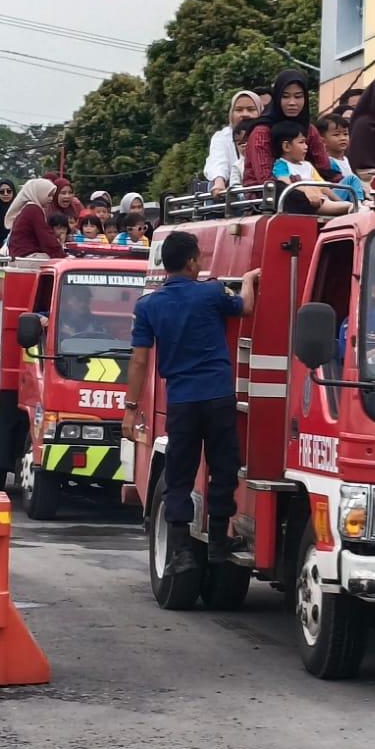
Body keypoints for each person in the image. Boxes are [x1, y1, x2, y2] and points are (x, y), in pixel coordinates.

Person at [124, 231, 259, 573]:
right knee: (224, 468)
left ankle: (181, 551)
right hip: (217, 396)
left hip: (181, 402)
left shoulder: (148, 306)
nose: (201, 265)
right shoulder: (211, 293)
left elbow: (139, 361)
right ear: (190, 262)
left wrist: (130, 408)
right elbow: (245, 306)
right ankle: (217, 541)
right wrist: (246, 280)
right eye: (199, 259)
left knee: (180, 475)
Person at [242, 69, 341, 187]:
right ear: (277, 98)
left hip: (315, 193)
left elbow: (325, 169)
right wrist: (304, 191)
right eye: (285, 96)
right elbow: (266, 179)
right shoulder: (262, 132)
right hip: (268, 197)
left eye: (298, 96)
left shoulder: (309, 130)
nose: (292, 102)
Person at [271, 120, 351, 216]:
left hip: (321, 198)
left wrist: (338, 200)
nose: (306, 147)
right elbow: (284, 181)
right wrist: (306, 189)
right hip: (307, 201)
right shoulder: (281, 164)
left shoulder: (308, 166)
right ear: (286, 146)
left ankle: (349, 206)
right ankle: (347, 207)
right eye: (301, 142)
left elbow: (322, 185)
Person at [204, 90, 261, 196]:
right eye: (239, 110)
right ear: (231, 113)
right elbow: (218, 161)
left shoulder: (267, 135)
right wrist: (219, 182)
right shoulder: (222, 137)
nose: (245, 114)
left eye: (251, 109)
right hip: (232, 197)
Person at [5, 178, 68, 259]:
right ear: (39, 194)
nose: (51, 199)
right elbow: (46, 237)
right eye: (48, 195)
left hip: (19, 254)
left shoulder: (29, 208)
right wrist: (62, 256)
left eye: (52, 196)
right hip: (26, 256)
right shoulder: (34, 210)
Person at [316, 113, 366, 203]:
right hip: (332, 197)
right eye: (336, 135)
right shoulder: (327, 162)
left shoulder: (345, 159)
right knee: (352, 179)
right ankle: (358, 202)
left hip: (346, 194)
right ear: (322, 140)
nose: (342, 138)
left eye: (345, 134)